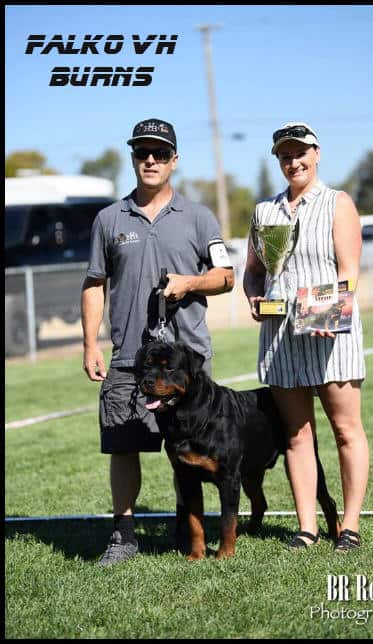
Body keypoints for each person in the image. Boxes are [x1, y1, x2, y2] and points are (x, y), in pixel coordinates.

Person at [81, 118, 234, 566]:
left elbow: (226, 277)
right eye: (142, 152)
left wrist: (190, 283)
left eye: (160, 153)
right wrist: (90, 343)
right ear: (133, 158)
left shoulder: (199, 217)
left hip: (188, 364)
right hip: (129, 359)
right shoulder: (109, 219)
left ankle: (185, 524)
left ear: (174, 161)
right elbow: (94, 283)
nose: (151, 160)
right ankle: (124, 535)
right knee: (124, 445)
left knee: (189, 450)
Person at [243, 122, 369, 551]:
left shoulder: (338, 203)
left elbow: (349, 273)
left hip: (331, 331)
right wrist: (255, 298)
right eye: (284, 155)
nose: (292, 161)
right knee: (297, 433)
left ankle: (349, 526)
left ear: (316, 154)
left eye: (300, 153)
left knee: (345, 429)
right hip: (280, 337)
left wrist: (316, 312)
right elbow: (255, 271)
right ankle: (306, 527)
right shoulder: (265, 212)